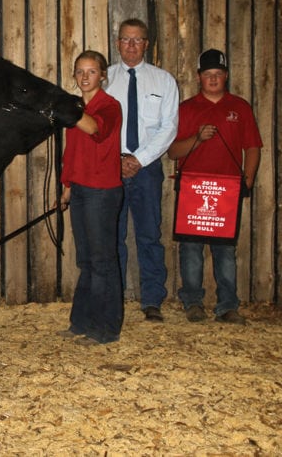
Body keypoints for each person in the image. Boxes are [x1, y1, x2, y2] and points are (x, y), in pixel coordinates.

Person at [166, 49, 262, 324]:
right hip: (193, 190)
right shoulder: (185, 109)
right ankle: (193, 303)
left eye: (218, 74)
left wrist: (249, 179)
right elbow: (173, 152)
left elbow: (252, 147)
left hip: (227, 190)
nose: (213, 79)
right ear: (198, 77)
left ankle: (227, 306)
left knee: (225, 251)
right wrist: (197, 139)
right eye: (208, 74)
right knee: (191, 249)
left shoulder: (240, 107)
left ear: (226, 76)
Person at [106, 19, 179, 322]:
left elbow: (169, 127)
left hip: (147, 169)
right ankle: (115, 298)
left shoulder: (163, 81)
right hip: (111, 168)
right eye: (126, 40)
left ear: (147, 44)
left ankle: (152, 300)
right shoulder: (105, 79)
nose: (131, 46)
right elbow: (97, 126)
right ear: (118, 42)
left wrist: (138, 159)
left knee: (149, 235)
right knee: (113, 236)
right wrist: (117, 161)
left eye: (138, 40)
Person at [57, 50, 123, 345]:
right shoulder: (75, 107)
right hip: (81, 188)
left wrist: (68, 110)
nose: (85, 77)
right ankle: (80, 322)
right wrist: (67, 185)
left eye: (91, 71)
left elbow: (95, 129)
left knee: (102, 260)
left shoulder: (109, 106)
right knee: (86, 260)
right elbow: (72, 151)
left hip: (102, 190)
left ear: (103, 75)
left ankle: (105, 329)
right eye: (80, 71)